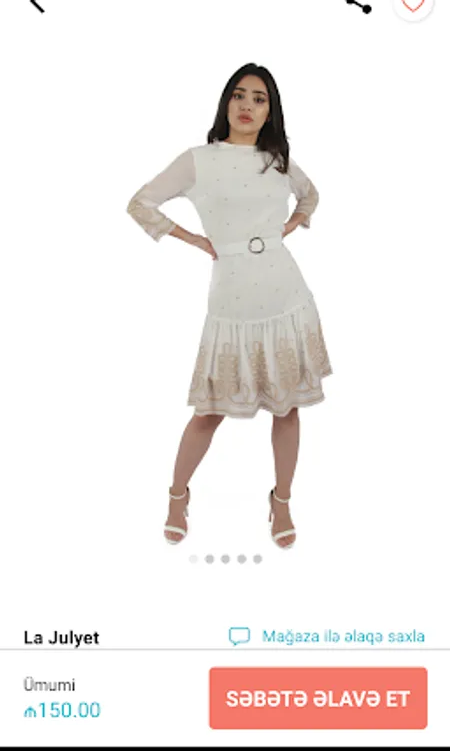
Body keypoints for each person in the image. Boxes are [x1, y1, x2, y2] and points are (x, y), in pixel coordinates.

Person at [126, 63, 332, 550]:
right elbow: (140, 203)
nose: (247, 106)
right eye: (239, 95)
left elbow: (310, 195)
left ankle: (282, 500)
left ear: (270, 111)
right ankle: (177, 495)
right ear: (226, 103)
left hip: (286, 295)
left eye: (259, 99)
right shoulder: (199, 160)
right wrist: (195, 240)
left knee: (288, 408)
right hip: (231, 299)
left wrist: (292, 223)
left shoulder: (277, 158)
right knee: (208, 412)